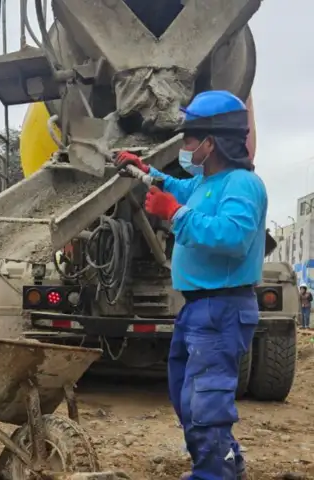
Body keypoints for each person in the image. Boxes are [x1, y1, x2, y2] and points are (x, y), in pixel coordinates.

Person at [116, 90, 266, 480]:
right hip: (199, 308)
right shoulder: (207, 183)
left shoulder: (241, 184)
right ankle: (223, 464)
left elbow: (234, 237)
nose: (184, 147)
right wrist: (145, 171)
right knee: (187, 395)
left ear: (211, 142)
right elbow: (178, 190)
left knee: (206, 403)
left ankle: (214, 474)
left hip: (222, 307)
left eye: (188, 139)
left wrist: (175, 215)